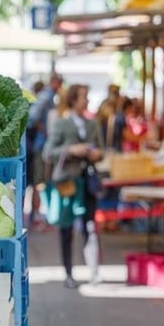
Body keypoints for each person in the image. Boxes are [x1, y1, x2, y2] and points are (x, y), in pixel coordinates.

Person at [43, 84, 104, 288]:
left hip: (88, 180)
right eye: (83, 97)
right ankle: (68, 273)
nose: (86, 100)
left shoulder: (93, 124)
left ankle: (94, 271)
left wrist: (97, 154)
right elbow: (48, 152)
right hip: (68, 181)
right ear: (73, 100)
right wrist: (72, 150)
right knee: (66, 228)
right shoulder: (62, 124)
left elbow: (101, 149)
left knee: (90, 226)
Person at [26, 73, 63, 229]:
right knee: (39, 183)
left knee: (40, 182)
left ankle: (37, 217)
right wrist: (46, 131)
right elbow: (31, 119)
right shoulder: (46, 97)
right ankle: (36, 218)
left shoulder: (48, 97)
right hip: (41, 147)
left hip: (42, 147)